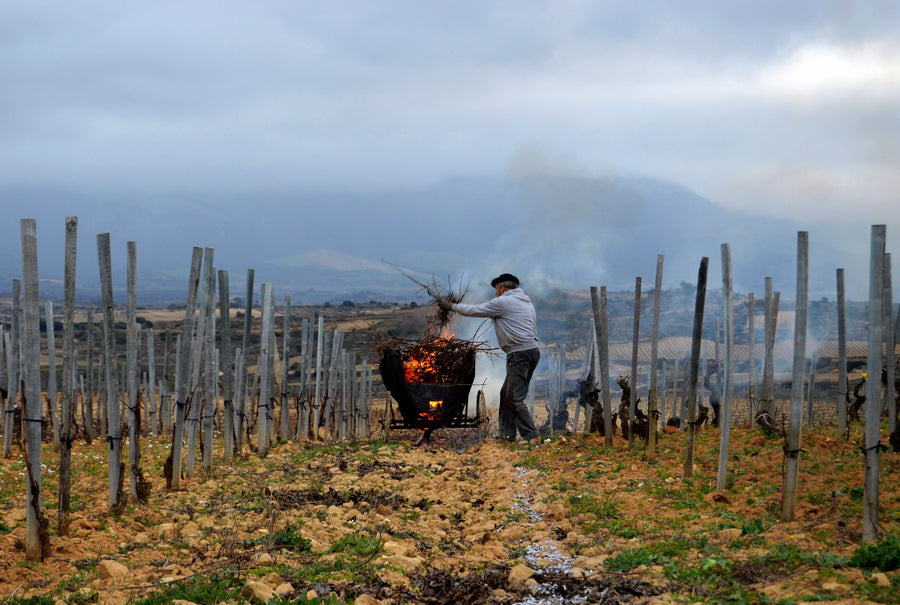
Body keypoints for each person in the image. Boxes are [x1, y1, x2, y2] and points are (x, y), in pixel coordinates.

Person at [437, 273, 541, 443]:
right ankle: (507, 436)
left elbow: (475, 310)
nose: (495, 294)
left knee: (514, 397)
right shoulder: (525, 301)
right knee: (505, 394)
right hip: (530, 351)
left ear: (502, 288)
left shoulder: (504, 302)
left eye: (496, 290)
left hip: (520, 353)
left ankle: (532, 436)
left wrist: (451, 307)